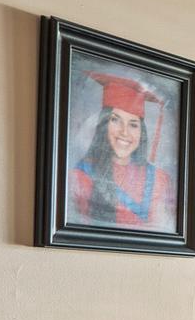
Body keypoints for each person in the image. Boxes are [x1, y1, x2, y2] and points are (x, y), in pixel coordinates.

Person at [68, 71, 173, 230]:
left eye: (133, 124)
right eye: (115, 120)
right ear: (103, 126)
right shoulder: (80, 176)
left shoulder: (159, 179)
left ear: (141, 132)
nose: (124, 132)